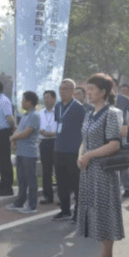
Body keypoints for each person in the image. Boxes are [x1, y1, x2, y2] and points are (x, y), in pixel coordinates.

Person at [75, 74, 125, 257]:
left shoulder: (112, 113)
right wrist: (81, 155)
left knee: (104, 217)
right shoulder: (90, 113)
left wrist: (88, 156)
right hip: (88, 171)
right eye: (87, 89)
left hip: (103, 173)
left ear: (104, 92)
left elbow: (114, 144)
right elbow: (85, 140)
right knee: (96, 215)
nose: (89, 92)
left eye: (92, 89)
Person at [53, 79, 85, 222]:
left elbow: (84, 130)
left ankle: (78, 212)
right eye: (61, 88)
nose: (62, 91)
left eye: (66, 89)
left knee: (76, 183)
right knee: (61, 183)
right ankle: (65, 210)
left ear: (73, 91)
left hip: (73, 151)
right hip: (59, 149)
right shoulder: (58, 106)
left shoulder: (79, 108)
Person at [8, 91, 42, 214]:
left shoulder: (34, 115)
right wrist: (14, 139)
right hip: (21, 152)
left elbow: (26, 133)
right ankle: (19, 202)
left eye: (23, 100)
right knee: (21, 178)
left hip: (29, 153)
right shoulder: (26, 115)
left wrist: (13, 138)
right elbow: (18, 131)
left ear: (30, 102)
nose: (21, 102)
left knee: (30, 179)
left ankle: (32, 206)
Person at [0, 80, 17, 197]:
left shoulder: (4, 101)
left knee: (4, 161)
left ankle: (7, 187)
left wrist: (13, 131)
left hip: (3, 133)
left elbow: (10, 119)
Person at [38, 90, 58, 204]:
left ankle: (62, 196)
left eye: (48, 98)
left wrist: (53, 133)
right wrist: (42, 131)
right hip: (44, 142)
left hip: (56, 142)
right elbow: (37, 126)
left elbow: (61, 126)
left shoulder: (59, 111)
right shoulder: (40, 113)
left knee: (59, 169)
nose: (46, 100)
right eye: (44, 98)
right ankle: (48, 196)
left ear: (54, 98)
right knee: (46, 170)